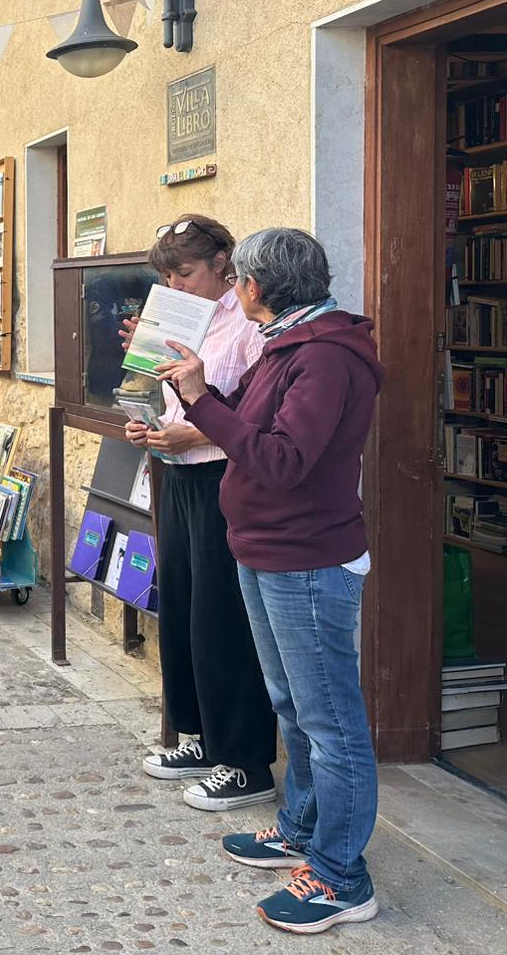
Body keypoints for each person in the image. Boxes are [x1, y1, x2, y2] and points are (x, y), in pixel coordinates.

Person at [156, 227, 383, 935]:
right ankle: (300, 830)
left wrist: (204, 401)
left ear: (253, 287)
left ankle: (343, 877)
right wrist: (197, 393)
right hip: (266, 550)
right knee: (292, 706)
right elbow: (239, 424)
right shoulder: (287, 346)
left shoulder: (323, 358)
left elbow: (281, 460)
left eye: (239, 282)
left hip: (307, 558)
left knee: (331, 722)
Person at [123, 216, 277, 812]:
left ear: (223, 262)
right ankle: (204, 739)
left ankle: (246, 762)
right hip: (180, 472)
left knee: (225, 615)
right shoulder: (180, 315)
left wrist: (197, 431)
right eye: (166, 275)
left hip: (224, 472)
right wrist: (149, 422)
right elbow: (160, 386)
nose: (176, 284)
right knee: (185, 606)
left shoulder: (249, 323)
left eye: (184, 272)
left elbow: (255, 405)